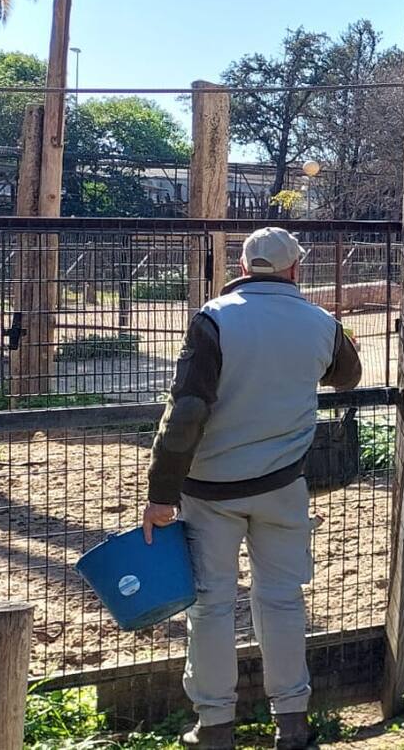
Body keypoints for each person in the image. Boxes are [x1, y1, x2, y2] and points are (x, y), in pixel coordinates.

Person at [142, 226, 362, 750]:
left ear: (242, 267)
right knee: (282, 600)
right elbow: (348, 376)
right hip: (283, 486)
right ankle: (293, 720)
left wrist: (161, 493)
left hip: (210, 493)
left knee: (211, 606)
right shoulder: (321, 323)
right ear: (295, 269)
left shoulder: (214, 318)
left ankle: (215, 725)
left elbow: (187, 412)